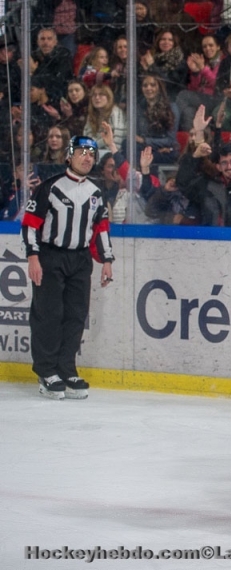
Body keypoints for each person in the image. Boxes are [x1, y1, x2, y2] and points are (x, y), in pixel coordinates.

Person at [21, 136, 114, 400]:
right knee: (48, 314)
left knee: (75, 315)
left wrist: (107, 260)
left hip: (80, 259)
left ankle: (66, 368)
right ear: (69, 156)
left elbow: (101, 229)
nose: (87, 158)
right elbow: (30, 224)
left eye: (91, 154)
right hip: (51, 257)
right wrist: (33, 257)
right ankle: (46, 371)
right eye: (82, 152)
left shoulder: (96, 191)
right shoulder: (50, 187)